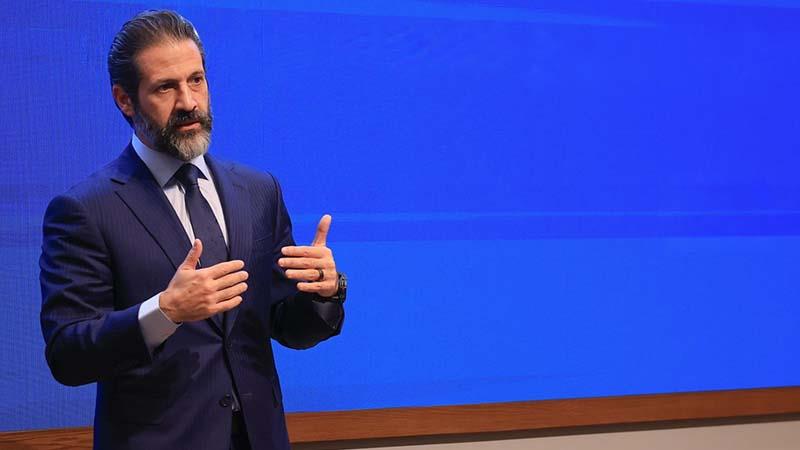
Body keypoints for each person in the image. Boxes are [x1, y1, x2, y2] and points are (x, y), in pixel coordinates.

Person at [39, 10, 346, 450]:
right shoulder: (85, 210)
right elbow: (67, 354)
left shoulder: (258, 190)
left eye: (196, 80)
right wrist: (164, 312)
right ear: (125, 100)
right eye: (165, 87)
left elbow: (287, 326)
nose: (188, 102)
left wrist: (323, 292)